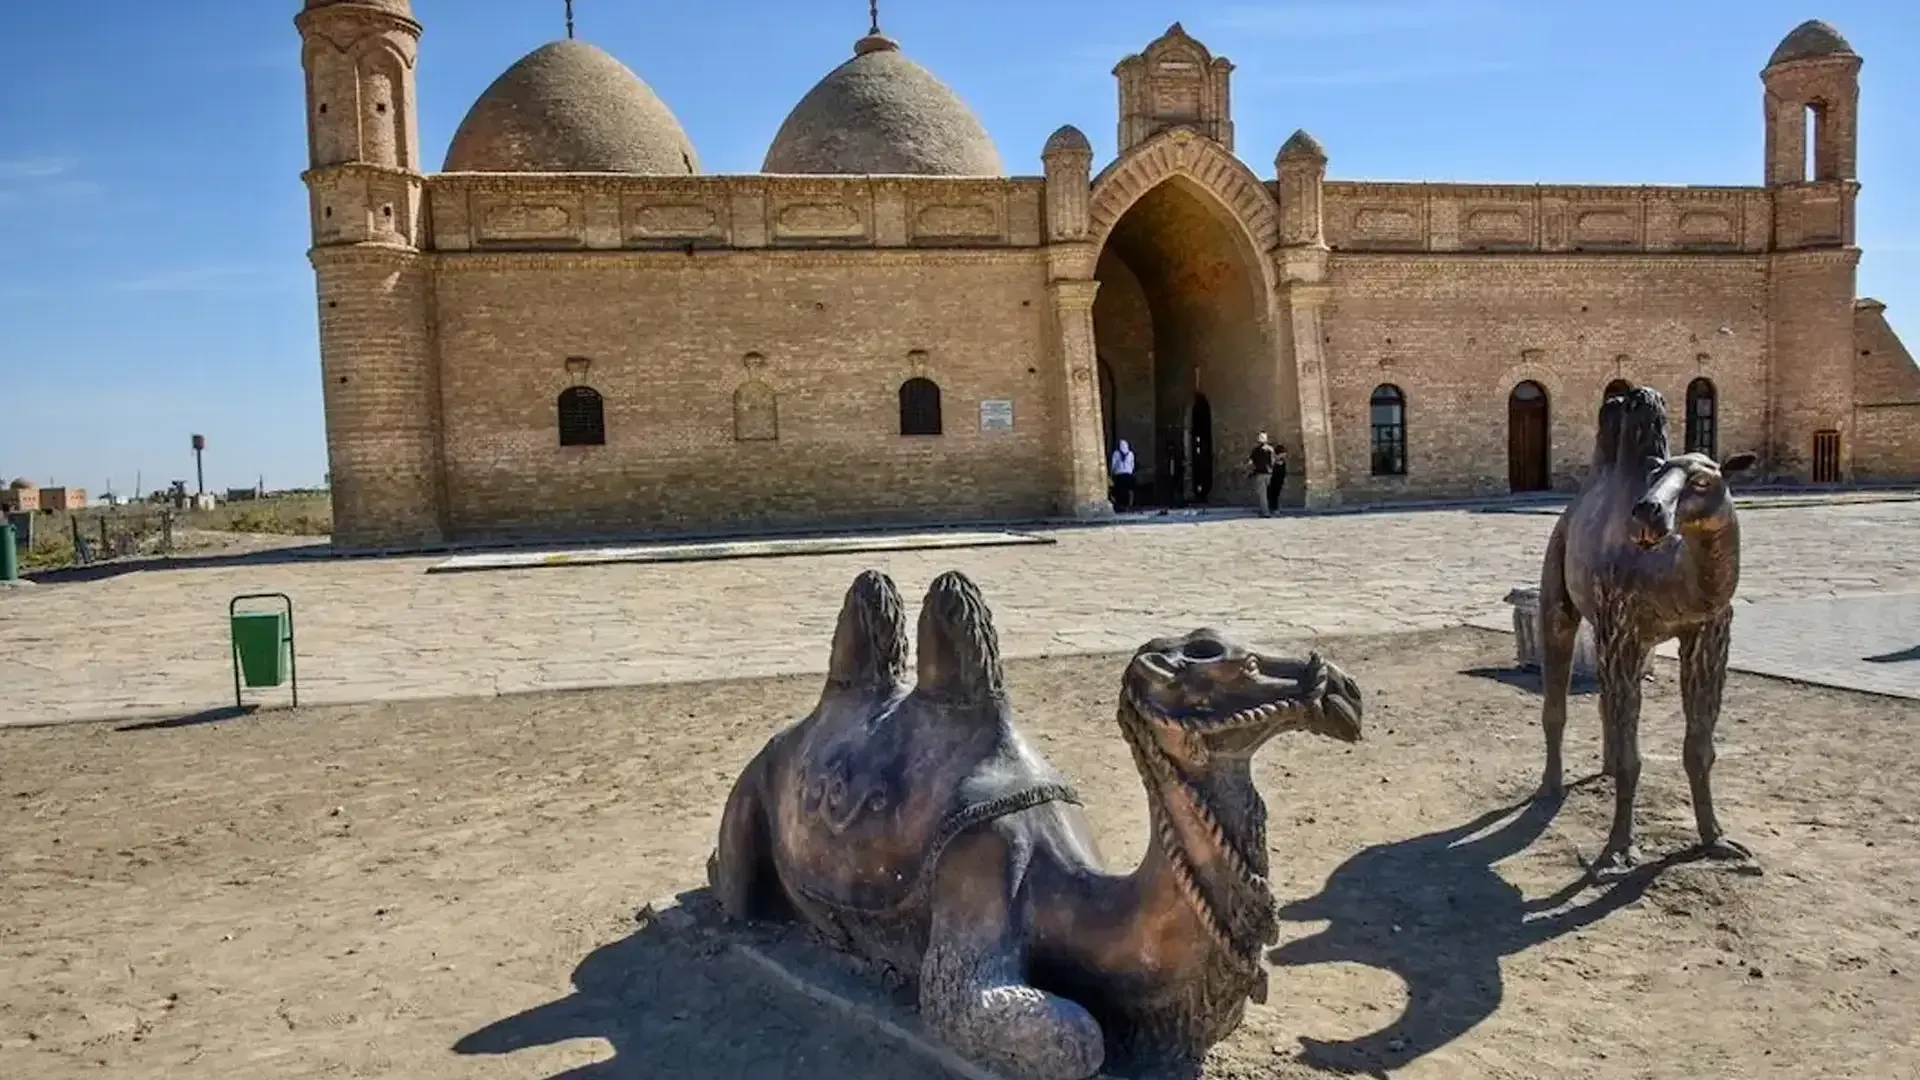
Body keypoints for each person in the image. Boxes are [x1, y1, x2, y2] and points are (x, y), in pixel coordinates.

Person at [1247, 432, 1277, 517]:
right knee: (1269, 493)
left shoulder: (1256, 450)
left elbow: (1250, 462)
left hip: (1260, 474)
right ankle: (1272, 509)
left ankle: (1265, 512)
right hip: (1270, 473)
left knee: (1262, 494)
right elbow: (1273, 461)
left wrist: (1249, 471)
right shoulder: (1270, 449)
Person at [1109, 439, 1137, 511]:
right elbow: (1132, 464)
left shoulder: (1116, 453)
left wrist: (1112, 473)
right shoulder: (1131, 454)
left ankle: (1121, 505)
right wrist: (1130, 471)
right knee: (1129, 490)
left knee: (1120, 491)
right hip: (1128, 474)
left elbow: (1113, 464)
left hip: (1119, 475)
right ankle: (1129, 505)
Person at [1270, 442, 1289, 514]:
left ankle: (1275, 508)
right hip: (1273, 480)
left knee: (1276, 494)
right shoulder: (1274, 461)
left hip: (1280, 480)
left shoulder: (1283, 462)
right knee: (1273, 494)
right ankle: (1273, 508)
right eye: (1284, 453)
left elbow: (1284, 471)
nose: (1285, 455)